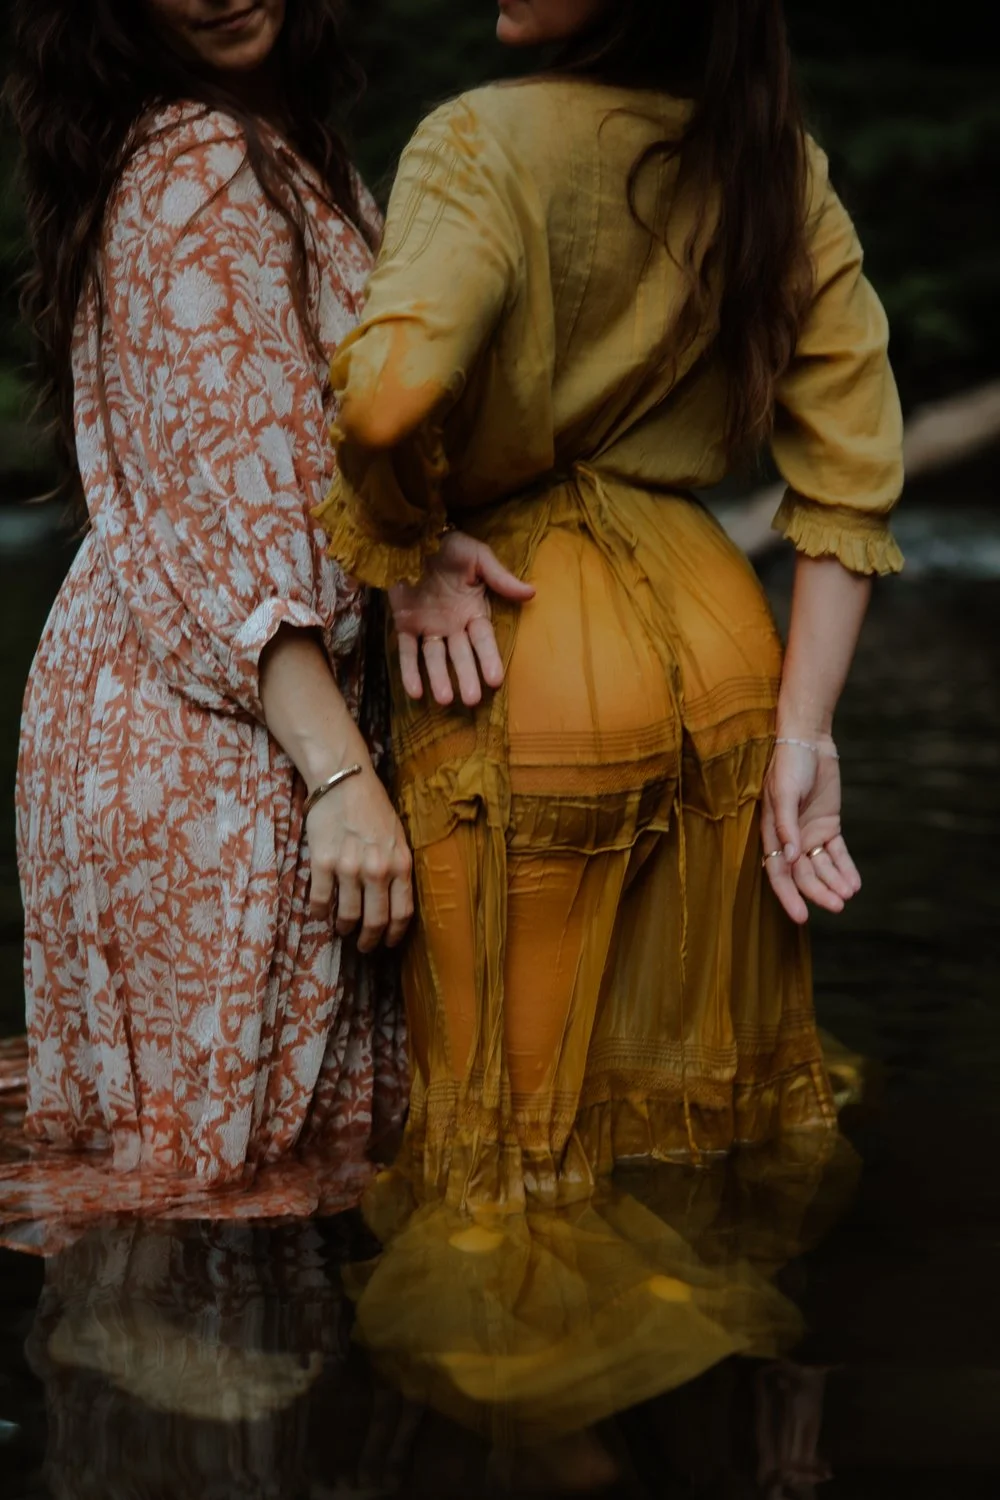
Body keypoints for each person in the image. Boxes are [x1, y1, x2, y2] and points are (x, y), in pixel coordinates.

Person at [316, 0, 904, 1214]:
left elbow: (383, 405)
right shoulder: (775, 164)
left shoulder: (480, 138)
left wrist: (405, 545)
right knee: (686, 1126)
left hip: (521, 655)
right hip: (726, 652)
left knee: (510, 1154)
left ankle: (525, 1387)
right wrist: (809, 731)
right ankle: (707, 1373)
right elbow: (850, 474)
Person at [2, 0, 413, 1243]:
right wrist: (341, 775)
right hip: (221, 730)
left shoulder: (271, 143)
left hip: (167, 695)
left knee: (187, 1182)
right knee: (213, 1212)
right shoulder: (196, 159)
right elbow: (227, 516)